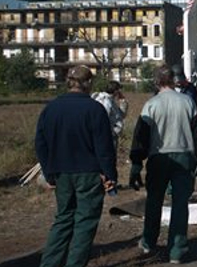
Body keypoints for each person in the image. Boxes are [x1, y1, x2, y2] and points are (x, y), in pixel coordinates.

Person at [34, 66, 117, 267]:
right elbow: (104, 147)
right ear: (88, 83)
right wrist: (109, 174)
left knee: (63, 219)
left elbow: (40, 143)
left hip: (61, 173)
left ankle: (50, 264)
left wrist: (48, 172)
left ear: (68, 82)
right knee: (85, 222)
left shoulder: (51, 108)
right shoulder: (94, 109)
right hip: (88, 173)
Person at [129, 65, 197, 264]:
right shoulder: (188, 102)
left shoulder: (151, 105)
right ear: (174, 80)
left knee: (154, 201)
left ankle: (148, 242)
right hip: (184, 157)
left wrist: (136, 164)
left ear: (156, 82)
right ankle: (177, 250)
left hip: (158, 158)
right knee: (180, 204)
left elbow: (141, 138)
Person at [92, 80, 127, 150]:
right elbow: (102, 119)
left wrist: (123, 102)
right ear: (116, 91)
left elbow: (121, 115)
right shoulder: (105, 101)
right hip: (108, 136)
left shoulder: (110, 100)